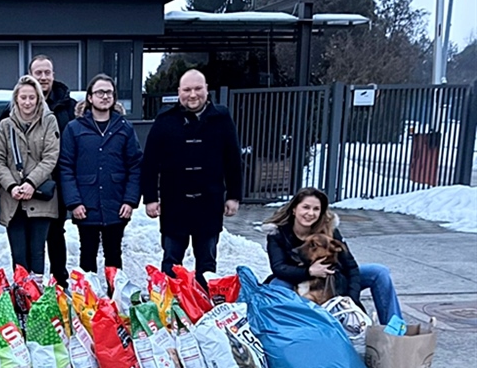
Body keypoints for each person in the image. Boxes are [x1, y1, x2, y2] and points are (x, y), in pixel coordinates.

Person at [141, 69, 242, 280]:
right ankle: (170, 307)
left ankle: (204, 306)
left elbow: (233, 160)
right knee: (171, 261)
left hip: (209, 203)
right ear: (179, 92)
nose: (193, 94)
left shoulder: (222, 119)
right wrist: (150, 198)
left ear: (206, 90)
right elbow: (150, 163)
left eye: (198, 89)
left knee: (207, 263)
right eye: (187, 89)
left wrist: (233, 196)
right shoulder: (165, 120)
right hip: (174, 204)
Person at [263, 187, 403, 325]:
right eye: (305, 207)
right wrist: (309, 272)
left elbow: (351, 267)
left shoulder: (329, 231)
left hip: (333, 280)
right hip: (295, 279)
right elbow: (279, 268)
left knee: (378, 272)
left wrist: (351, 300)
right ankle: (287, 330)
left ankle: (395, 329)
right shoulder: (278, 234)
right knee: (277, 285)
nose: (310, 213)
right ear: (294, 209)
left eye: (316, 209)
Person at [1, 55, 77, 286]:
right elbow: (0, 155)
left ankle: (58, 284)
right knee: (25, 250)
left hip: (54, 185)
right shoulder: (8, 115)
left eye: (47, 72)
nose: (43, 77)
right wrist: (16, 184)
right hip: (20, 190)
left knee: (55, 237)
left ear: (53, 74)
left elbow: (62, 150)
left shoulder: (67, 106)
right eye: (39, 73)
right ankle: (27, 294)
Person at [59, 73, 142, 273]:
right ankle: (88, 301)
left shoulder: (124, 128)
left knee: (114, 255)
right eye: (100, 92)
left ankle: (114, 299)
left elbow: (135, 166)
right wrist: (74, 203)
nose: (105, 96)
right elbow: (65, 167)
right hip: (86, 205)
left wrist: (130, 201)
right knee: (87, 254)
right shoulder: (74, 128)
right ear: (90, 97)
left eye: (109, 92)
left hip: (116, 203)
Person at [0, 76, 60, 276]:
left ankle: (37, 300)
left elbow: (51, 156)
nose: (28, 102)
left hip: (40, 196)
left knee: (38, 253)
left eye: (32, 97)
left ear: (39, 99)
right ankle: (21, 300)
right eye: (23, 97)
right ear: (16, 99)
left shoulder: (49, 121)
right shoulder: (5, 125)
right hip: (13, 198)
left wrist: (31, 182)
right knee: (18, 255)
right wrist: (12, 186)